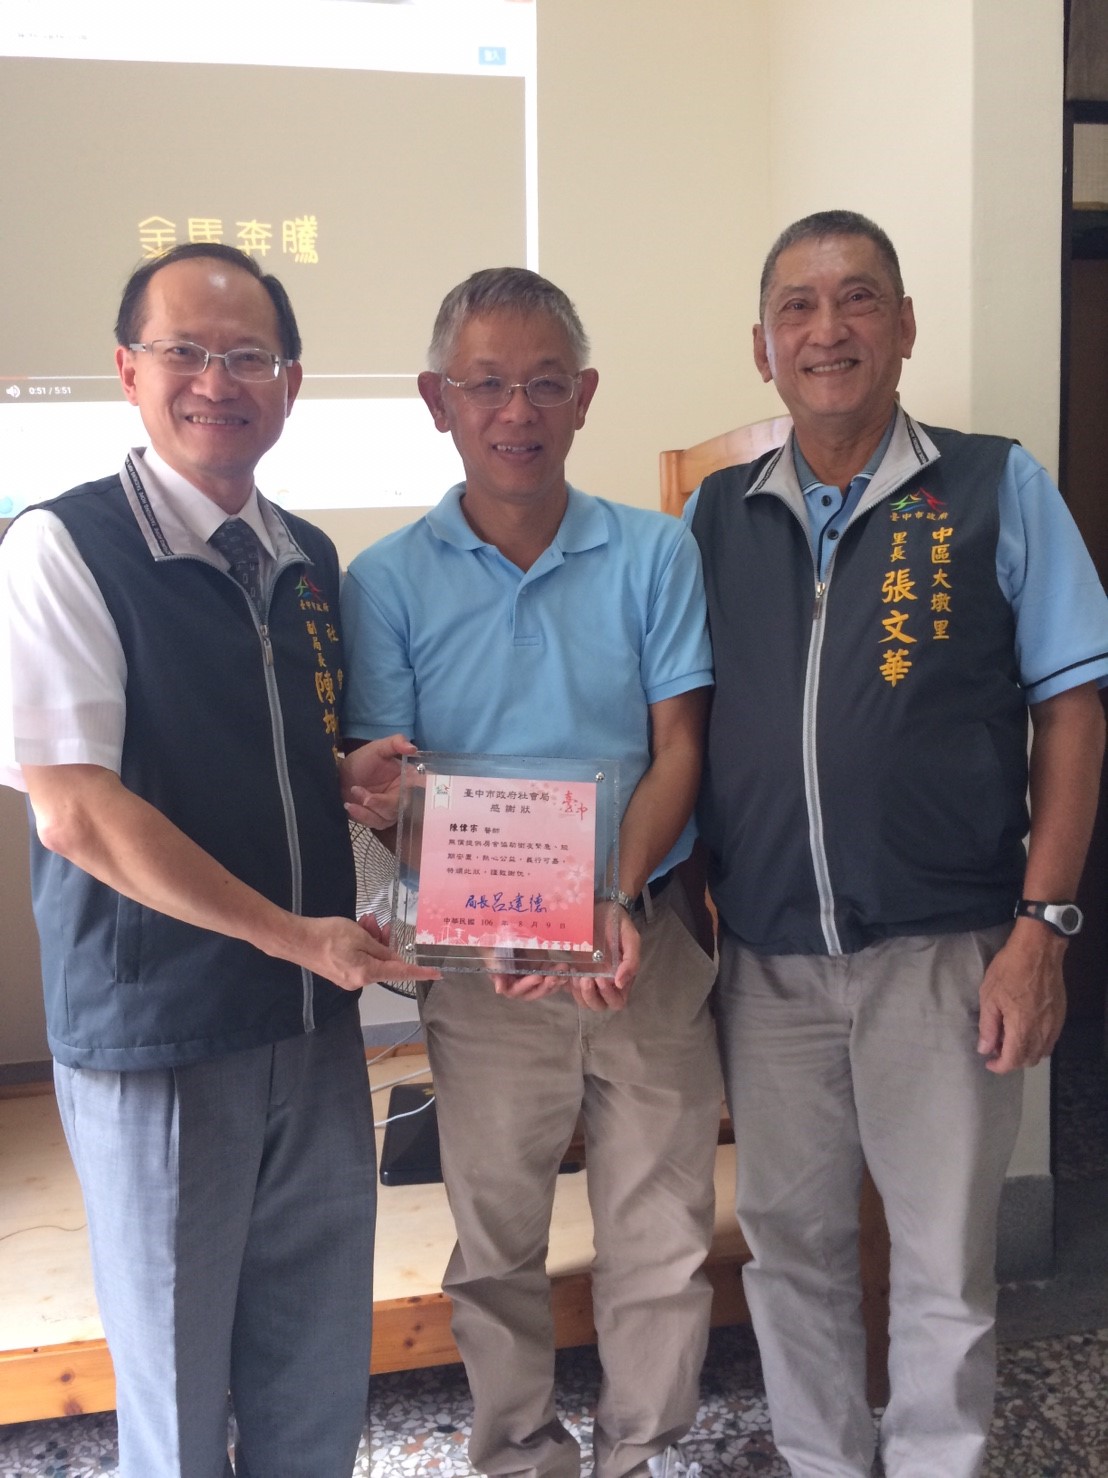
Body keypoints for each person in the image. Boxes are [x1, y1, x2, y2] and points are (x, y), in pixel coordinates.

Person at [0, 242, 435, 1478]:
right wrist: (294, 935)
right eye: (184, 351)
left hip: (310, 1027)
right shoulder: (61, 547)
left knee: (315, 1371)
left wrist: (337, 775)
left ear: (290, 382)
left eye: (248, 355)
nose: (216, 379)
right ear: (127, 369)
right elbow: (76, 810)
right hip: (162, 1035)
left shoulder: (304, 557)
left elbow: (244, 752)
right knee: (180, 1391)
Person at [687, 209, 1108, 1477]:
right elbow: (674, 726)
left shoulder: (993, 485)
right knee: (791, 1252)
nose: (828, 329)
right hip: (768, 960)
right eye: (797, 306)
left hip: (948, 952)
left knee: (941, 1265)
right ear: (761, 346)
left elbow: (1073, 706)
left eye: (858, 297)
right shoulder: (712, 516)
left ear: (905, 324)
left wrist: (1042, 926)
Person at [340, 267, 721, 1478]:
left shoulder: (655, 550)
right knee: (495, 1239)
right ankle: (517, 1452)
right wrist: (504, 915)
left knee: (662, 1234)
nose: (517, 411)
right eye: (487, 384)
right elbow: (395, 791)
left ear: (585, 395)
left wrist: (611, 897)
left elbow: (680, 746)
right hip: (484, 969)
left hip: (644, 941)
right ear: (436, 400)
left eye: (545, 383)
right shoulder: (383, 580)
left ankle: (638, 1452)